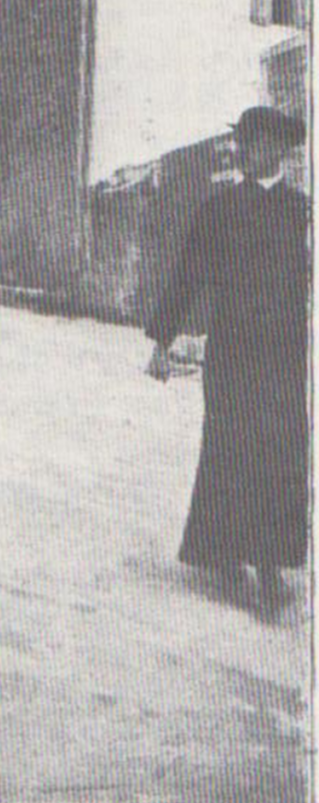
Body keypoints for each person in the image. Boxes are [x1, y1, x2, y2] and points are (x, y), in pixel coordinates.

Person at [145, 106, 309, 603]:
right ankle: (225, 555)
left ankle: (271, 565)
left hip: (285, 353)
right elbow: (187, 276)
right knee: (230, 447)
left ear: (281, 149)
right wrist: (162, 342)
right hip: (233, 351)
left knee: (280, 453)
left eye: (258, 143)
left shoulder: (303, 212)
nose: (246, 152)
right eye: (244, 142)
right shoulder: (218, 210)